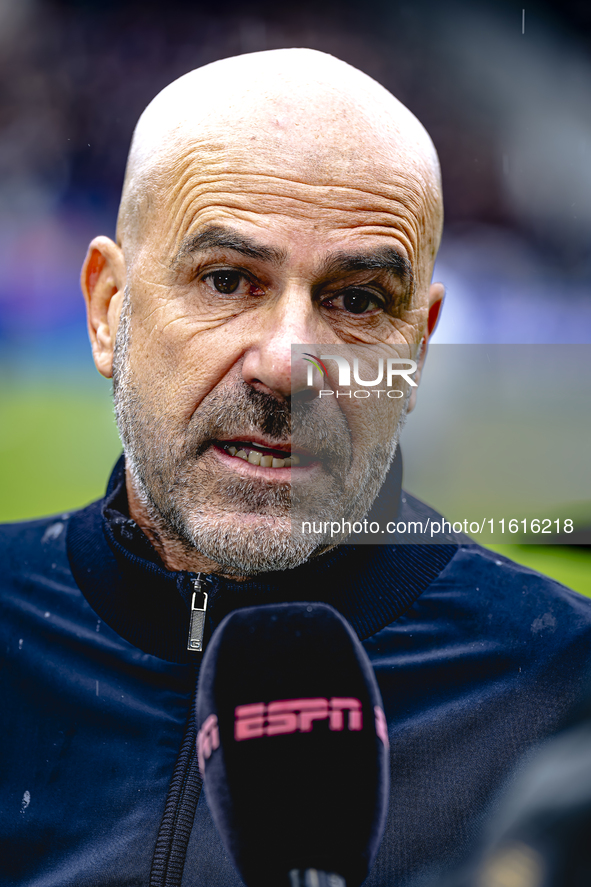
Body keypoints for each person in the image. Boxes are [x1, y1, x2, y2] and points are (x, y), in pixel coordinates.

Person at [1, 48, 590, 887]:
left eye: (355, 301)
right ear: (108, 310)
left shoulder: (565, 702)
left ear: (416, 351)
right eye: (227, 280)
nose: (287, 365)